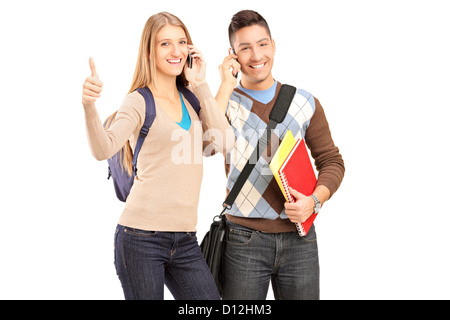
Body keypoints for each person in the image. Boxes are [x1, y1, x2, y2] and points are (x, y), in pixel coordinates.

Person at [81, 12, 233, 300]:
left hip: (186, 240)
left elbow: (223, 144)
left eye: (181, 42)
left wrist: (201, 84)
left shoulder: (191, 99)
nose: (176, 51)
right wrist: (89, 105)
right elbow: (103, 149)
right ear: (149, 51)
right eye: (165, 44)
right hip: (140, 239)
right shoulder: (139, 101)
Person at [215, 10, 345, 300]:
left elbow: (331, 161)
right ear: (232, 54)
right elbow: (206, 144)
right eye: (244, 47)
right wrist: (225, 85)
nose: (256, 55)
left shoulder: (305, 102)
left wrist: (315, 201)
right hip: (243, 240)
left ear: (273, 45)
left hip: (300, 238)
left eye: (262, 44)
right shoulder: (223, 103)